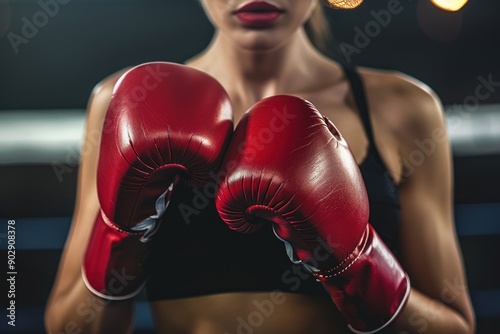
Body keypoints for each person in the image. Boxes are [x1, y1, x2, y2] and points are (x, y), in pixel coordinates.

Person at [45, 1, 476, 333]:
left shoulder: (403, 109)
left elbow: (456, 325)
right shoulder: (123, 101)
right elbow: (69, 325)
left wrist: (358, 263)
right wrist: (123, 235)